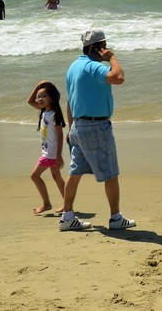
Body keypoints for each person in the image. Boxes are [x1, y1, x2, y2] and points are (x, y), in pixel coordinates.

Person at [59, 29, 136, 232]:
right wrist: (112, 58)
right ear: (94, 48)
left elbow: (69, 99)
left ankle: (67, 216)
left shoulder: (73, 66)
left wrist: (71, 127)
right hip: (96, 126)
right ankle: (115, 217)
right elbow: (118, 77)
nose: (106, 49)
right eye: (103, 46)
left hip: (78, 126)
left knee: (74, 173)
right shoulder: (93, 67)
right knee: (110, 173)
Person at [26, 81, 66, 215]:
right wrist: (37, 86)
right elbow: (29, 101)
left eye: (43, 96)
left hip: (51, 154)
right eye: (39, 96)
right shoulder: (44, 111)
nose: (39, 99)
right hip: (48, 152)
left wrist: (59, 156)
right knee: (57, 178)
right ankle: (67, 204)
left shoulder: (54, 114)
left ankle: (47, 204)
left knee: (34, 176)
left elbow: (60, 136)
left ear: (52, 98)